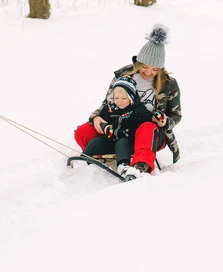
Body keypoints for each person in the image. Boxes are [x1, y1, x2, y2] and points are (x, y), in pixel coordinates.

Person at [74, 24, 182, 175]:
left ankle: (140, 165)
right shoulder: (123, 76)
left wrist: (165, 121)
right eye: (144, 66)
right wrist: (96, 117)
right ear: (139, 62)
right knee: (83, 131)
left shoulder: (169, 84)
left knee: (147, 128)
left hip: (149, 135)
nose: (149, 72)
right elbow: (107, 103)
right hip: (119, 129)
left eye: (155, 69)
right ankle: (107, 151)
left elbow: (176, 116)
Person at [81, 76, 157, 179]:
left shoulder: (137, 109)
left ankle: (123, 166)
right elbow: (99, 119)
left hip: (128, 142)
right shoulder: (109, 108)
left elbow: (149, 118)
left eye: (124, 98)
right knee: (96, 141)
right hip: (111, 139)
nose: (119, 101)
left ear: (131, 97)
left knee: (122, 143)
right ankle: (82, 160)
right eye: (116, 98)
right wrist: (104, 126)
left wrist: (157, 116)